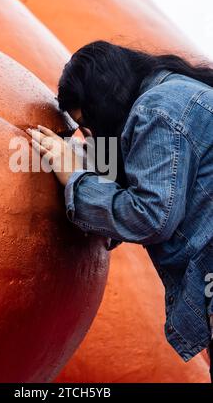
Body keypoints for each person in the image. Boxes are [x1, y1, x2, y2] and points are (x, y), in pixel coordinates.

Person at [27, 40, 213, 381]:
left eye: (92, 124)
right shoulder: (179, 92)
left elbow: (151, 215)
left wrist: (75, 180)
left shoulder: (156, 109)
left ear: (106, 101)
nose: (94, 136)